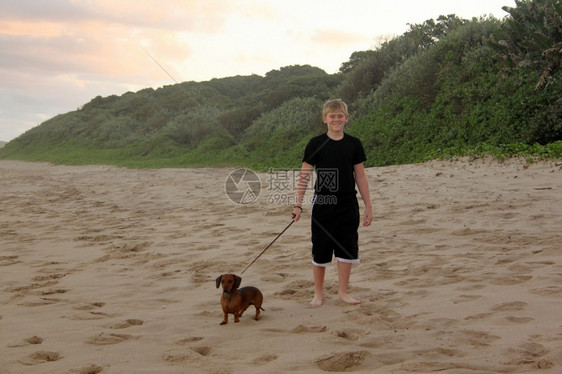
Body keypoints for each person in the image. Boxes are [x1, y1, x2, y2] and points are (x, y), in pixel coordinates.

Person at [292, 99, 372, 307]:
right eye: (332, 116)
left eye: (340, 116)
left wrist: (368, 206)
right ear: (324, 119)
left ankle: (343, 292)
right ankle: (318, 294)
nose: (336, 119)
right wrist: (298, 205)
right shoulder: (315, 143)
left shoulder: (354, 144)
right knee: (320, 248)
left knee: (347, 247)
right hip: (324, 205)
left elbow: (360, 177)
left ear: (346, 118)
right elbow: (304, 176)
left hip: (348, 205)